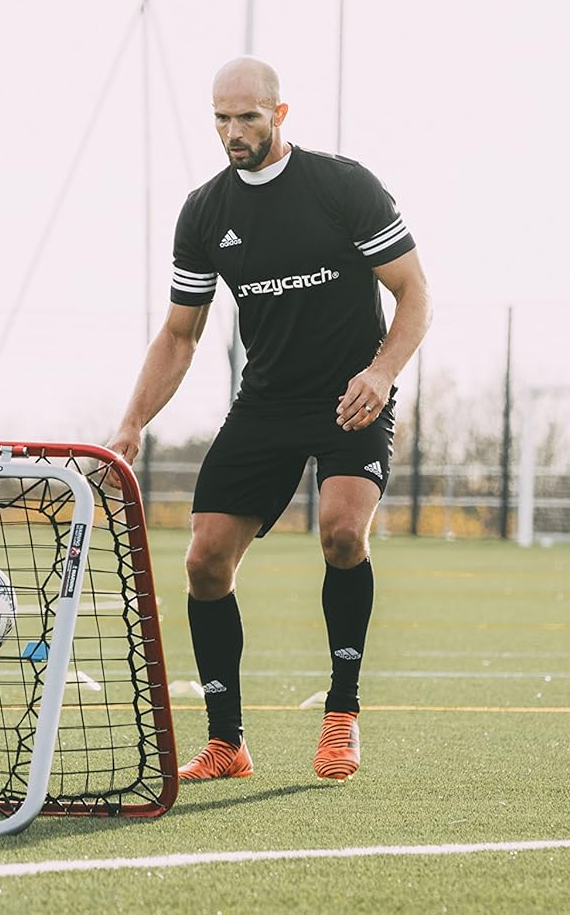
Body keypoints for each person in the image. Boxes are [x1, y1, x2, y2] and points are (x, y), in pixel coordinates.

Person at [108, 56, 432, 782]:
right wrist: (132, 421)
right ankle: (228, 742)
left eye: (247, 117)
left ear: (280, 114)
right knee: (203, 560)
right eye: (221, 118)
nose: (232, 131)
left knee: (344, 534)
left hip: (351, 396)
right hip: (267, 403)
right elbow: (179, 335)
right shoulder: (205, 212)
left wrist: (380, 373)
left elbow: (415, 295)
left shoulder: (342, 186)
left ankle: (342, 714)